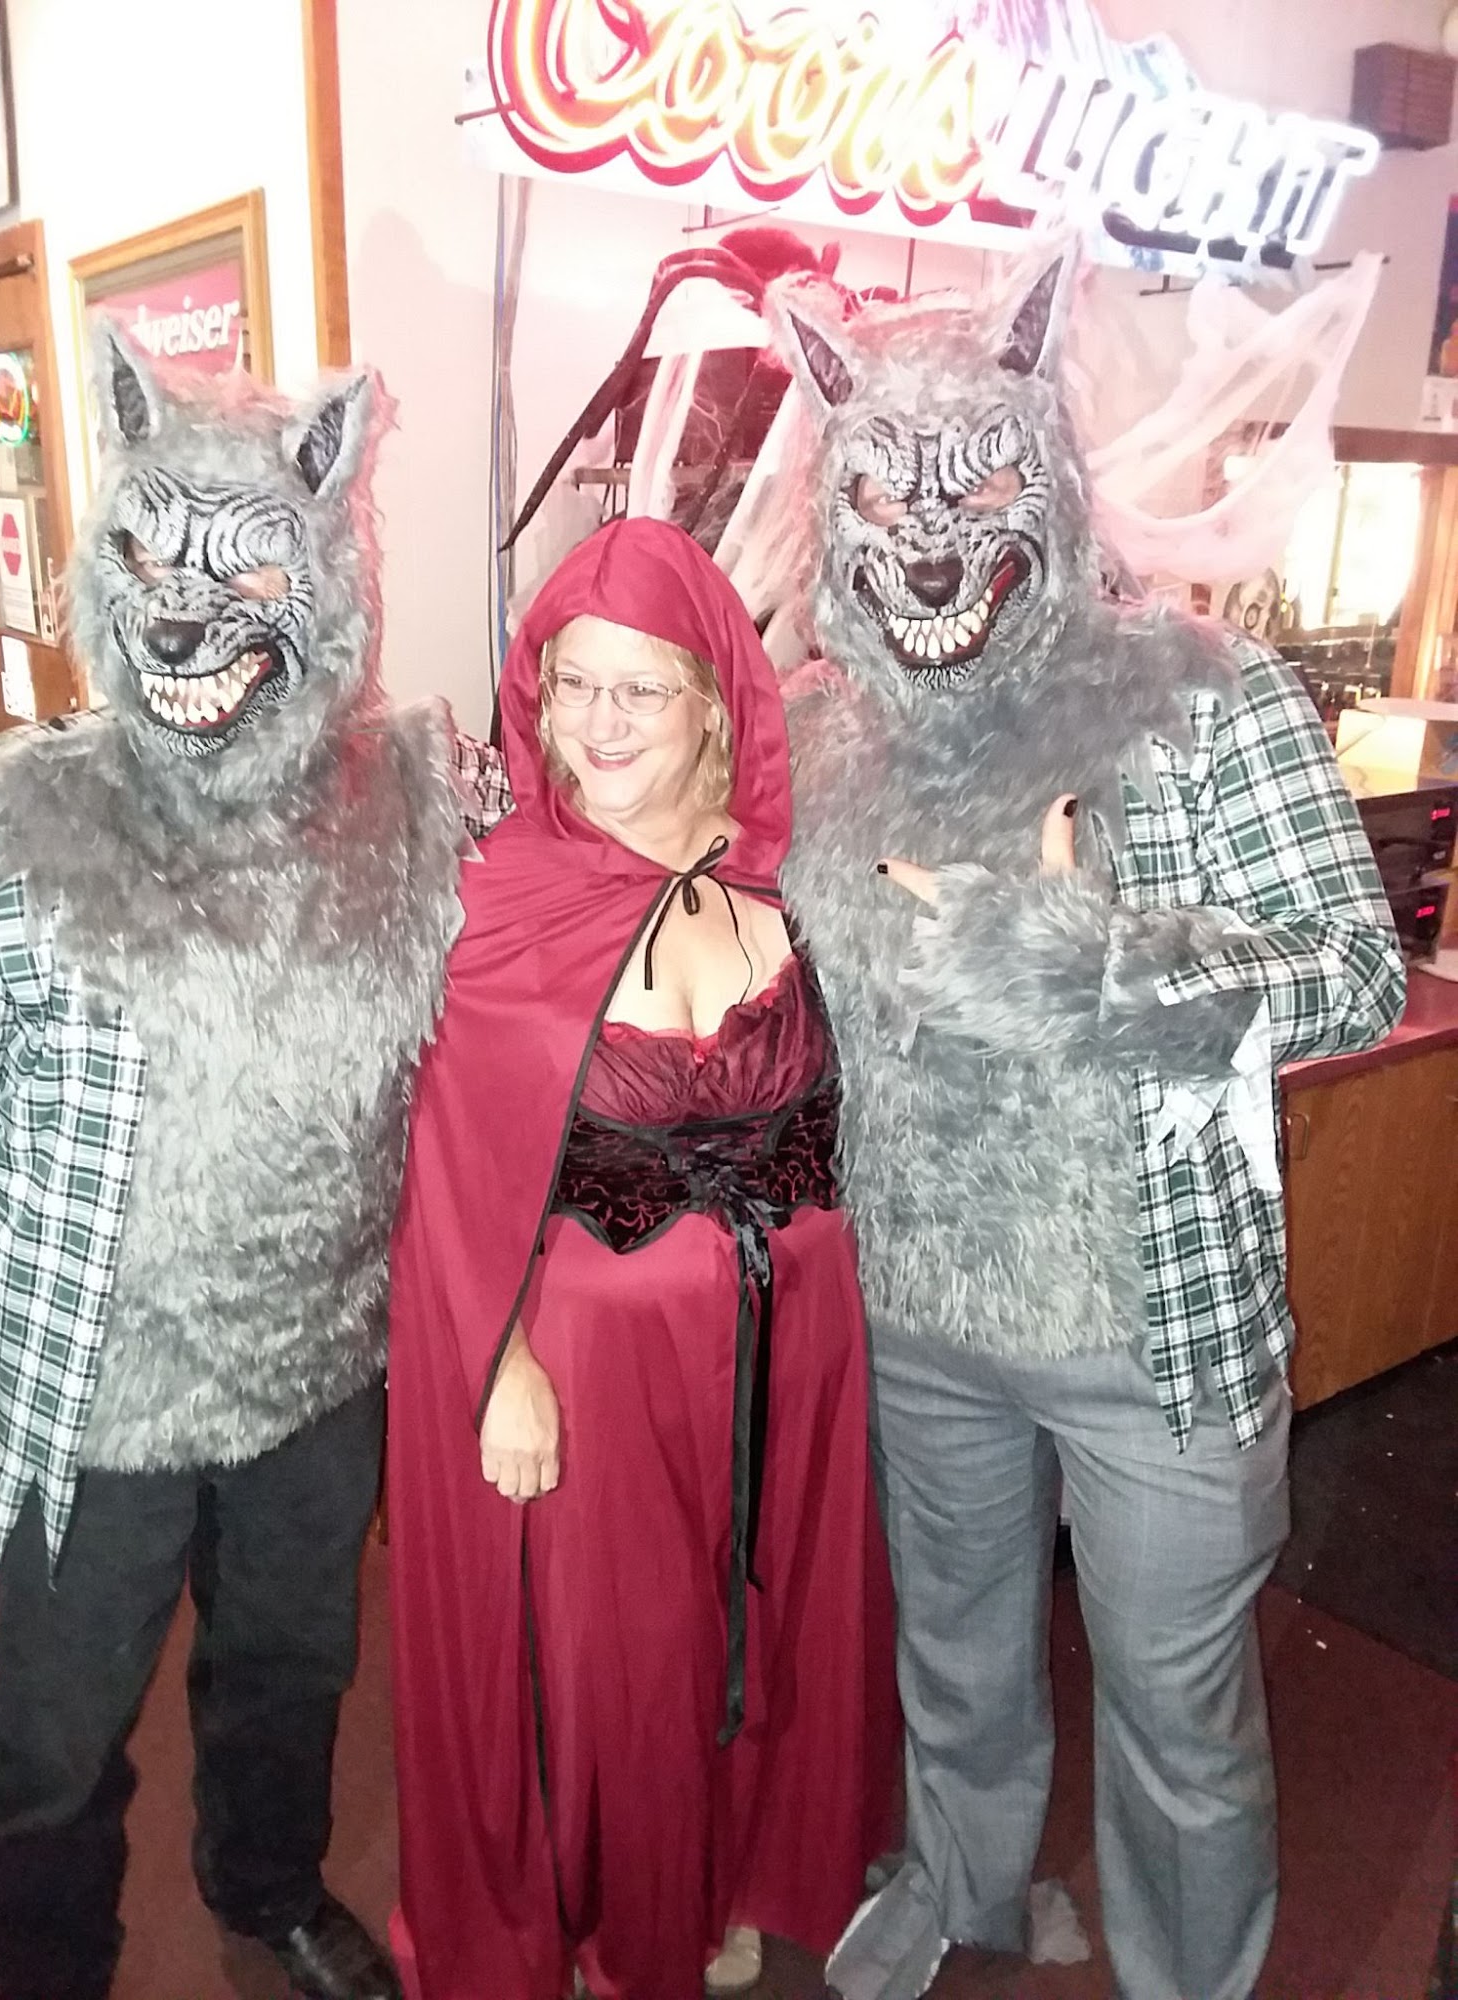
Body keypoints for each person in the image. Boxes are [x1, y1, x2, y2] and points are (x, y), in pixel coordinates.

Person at [756, 262, 1406, 2000]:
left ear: (1043, 472)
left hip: (1154, 1325)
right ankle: (964, 1890)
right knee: (957, 1660)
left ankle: (1190, 1975)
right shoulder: (812, 730)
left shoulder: (1204, 693)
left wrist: (1090, 958)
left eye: (976, 484)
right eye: (885, 496)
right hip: (922, 1316)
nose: (930, 543)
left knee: (1178, 1710)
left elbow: (1355, 975)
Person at [0, 329, 506, 2000]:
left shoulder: (412, 796)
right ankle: (44, 1965)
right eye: (147, 561)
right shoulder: (12, 819)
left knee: (288, 1671)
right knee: (54, 1732)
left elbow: (558, 920)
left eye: (248, 567)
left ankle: (265, 1890)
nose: (183, 615)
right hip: (95, 1383)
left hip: (315, 1360)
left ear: (323, 573)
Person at [385, 515, 896, 2000]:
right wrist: (500, 1367)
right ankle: (619, 1926)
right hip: (598, 1370)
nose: (596, 724)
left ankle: (725, 1873)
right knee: (622, 1662)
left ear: (714, 703)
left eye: (640, 689)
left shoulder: (793, 878)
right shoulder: (496, 898)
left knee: (762, 1624)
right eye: (571, 685)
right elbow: (445, 1175)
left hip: (796, 1351)